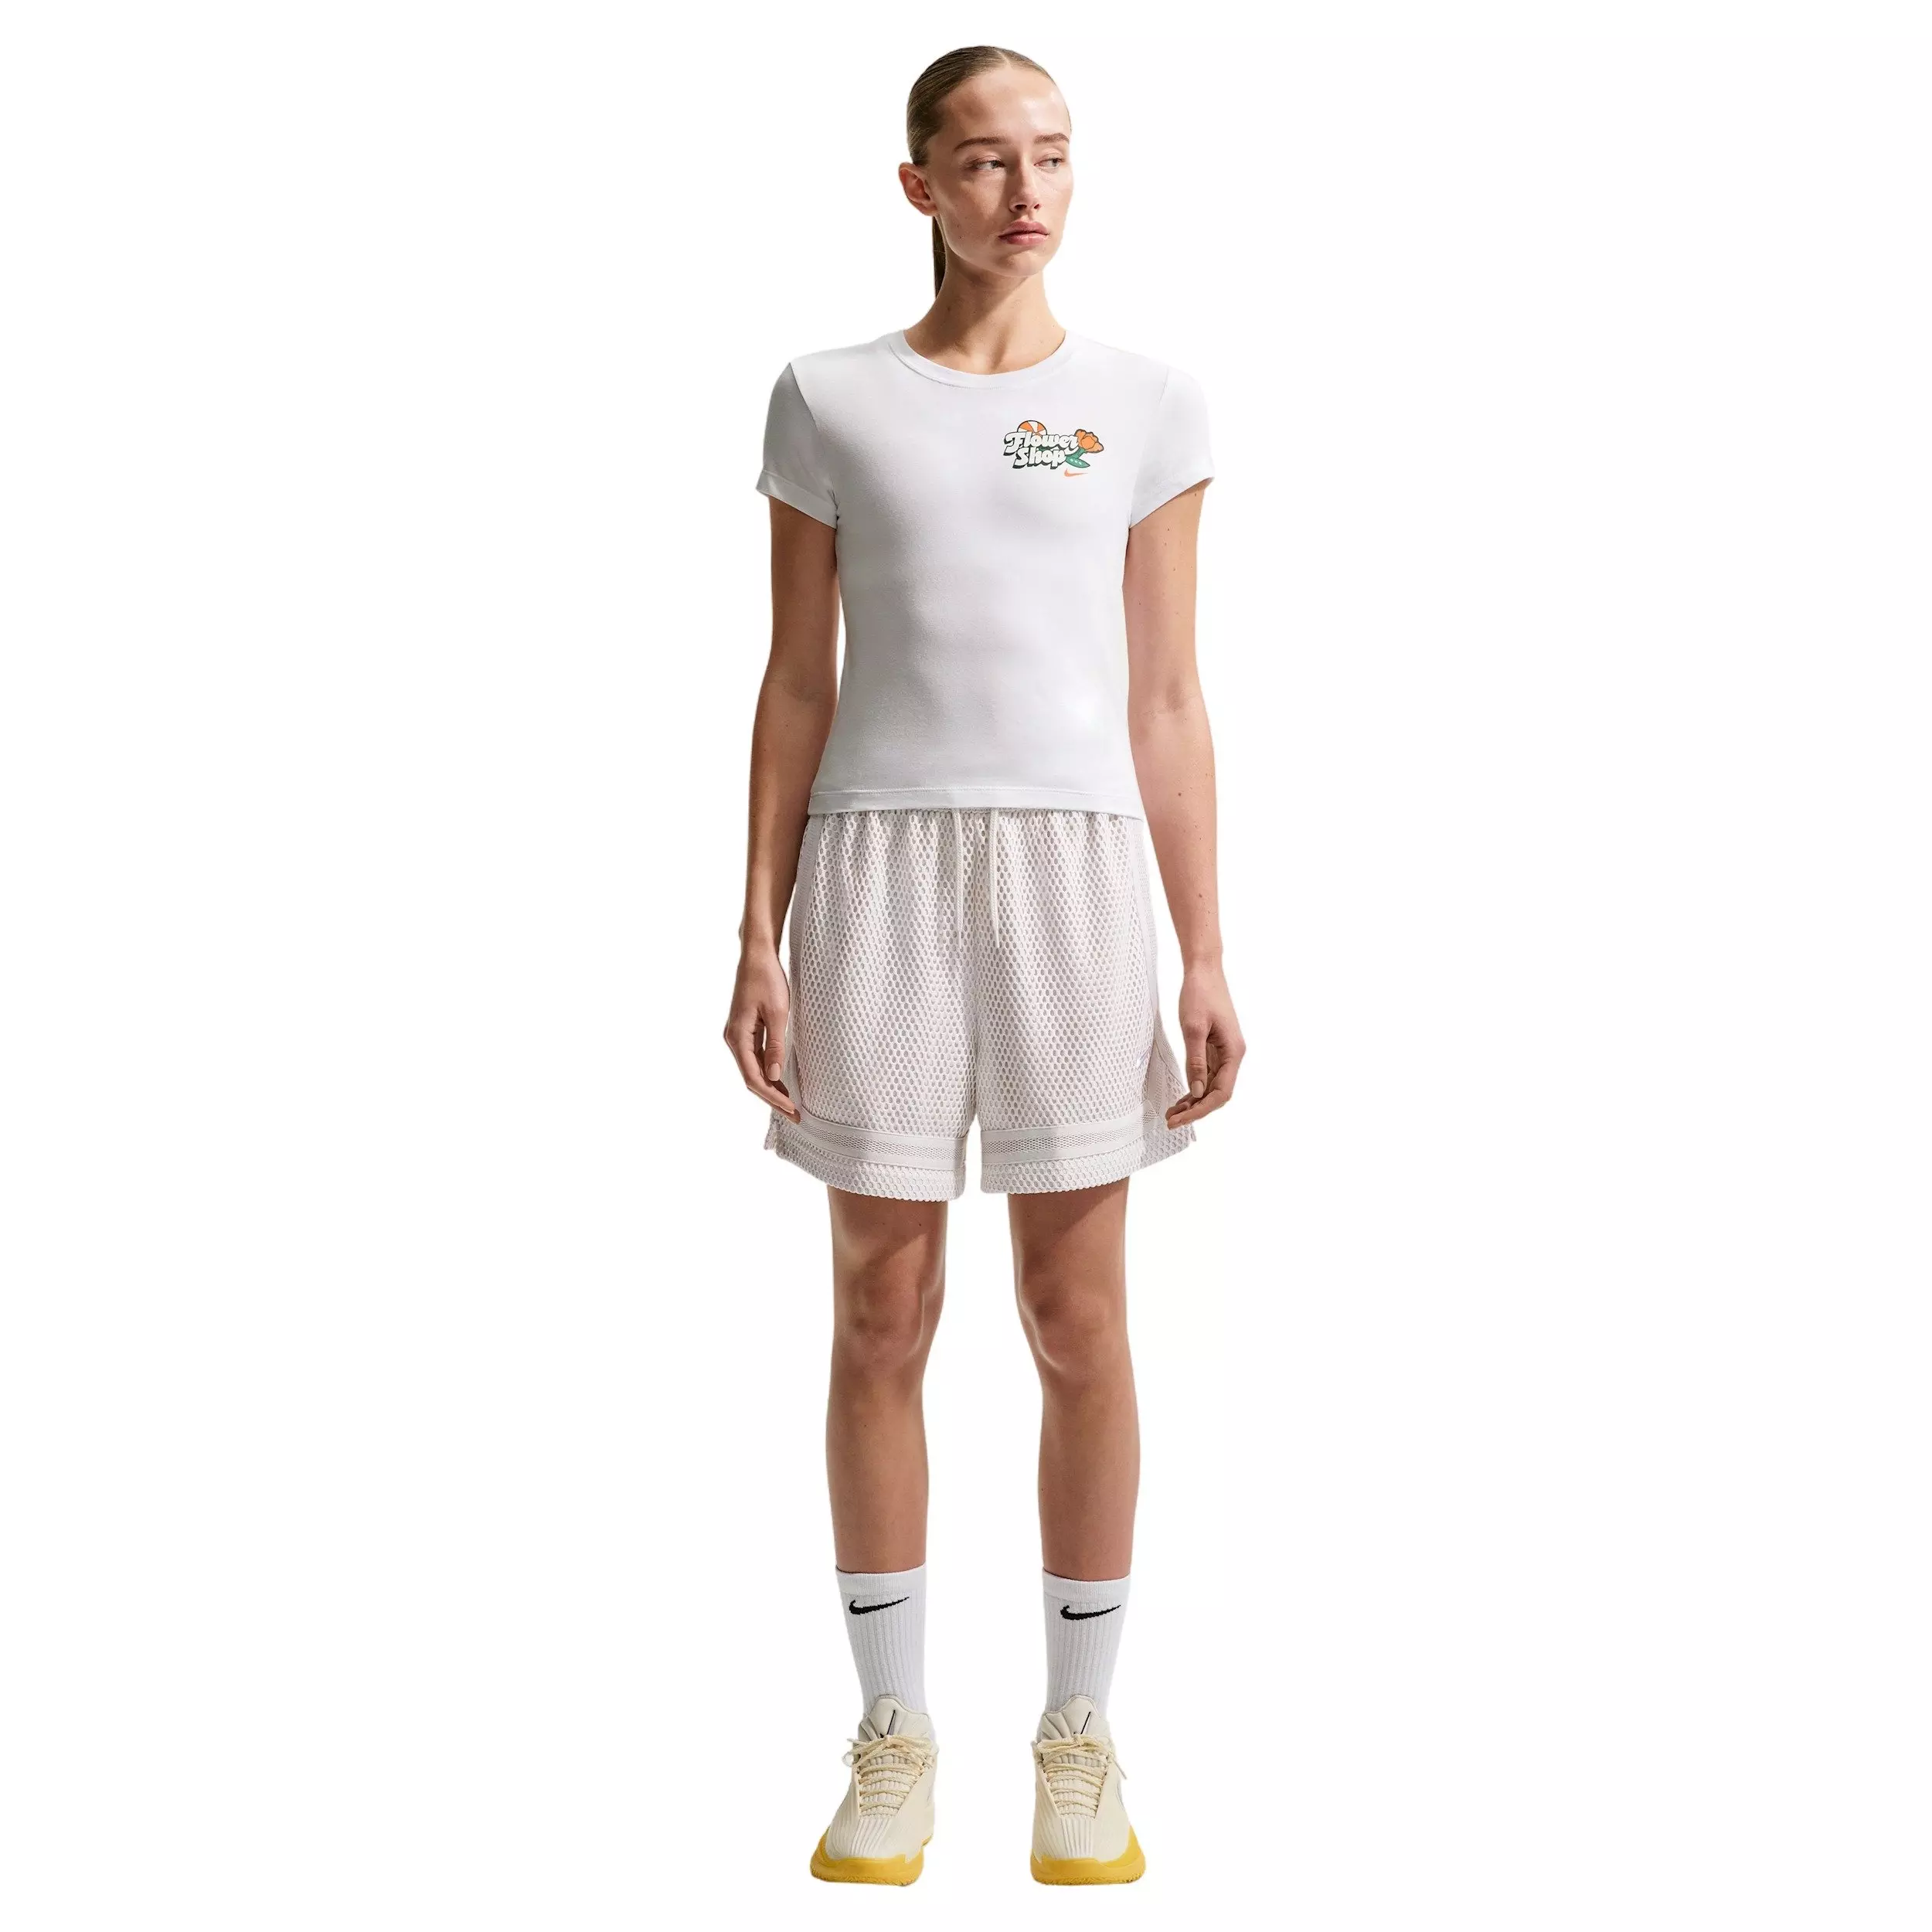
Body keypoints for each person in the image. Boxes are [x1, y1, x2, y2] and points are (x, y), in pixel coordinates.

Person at [724, 44, 1243, 1887]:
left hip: (1075, 872)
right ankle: (891, 1731)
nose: (1025, 194)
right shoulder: (827, 399)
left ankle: (1077, 1732)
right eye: (983, 161)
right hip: (873, 861)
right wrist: (755, 925)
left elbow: (1166, 696)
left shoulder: (1143, 405)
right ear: (918, 185)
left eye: (1052, 157)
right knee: (879, 1309)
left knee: (1074, 1315)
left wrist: (1202, 943)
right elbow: (797, 680)